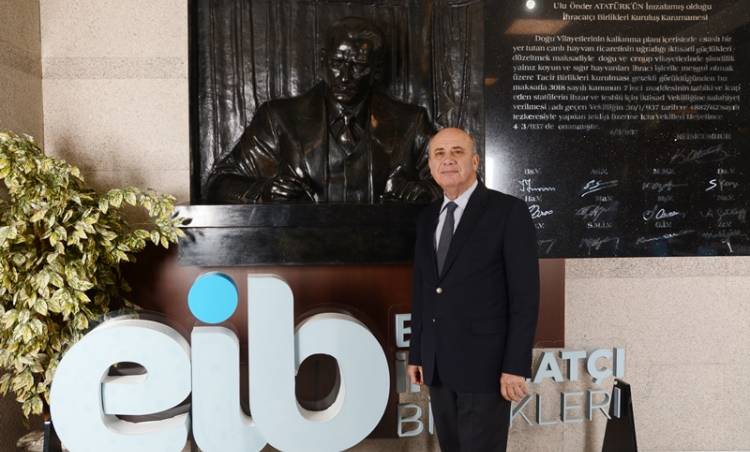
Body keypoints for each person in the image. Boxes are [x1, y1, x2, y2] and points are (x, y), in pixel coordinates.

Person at [205, 17, 439, 204]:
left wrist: (425, 192)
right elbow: (218, 183)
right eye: (337, 63)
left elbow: (451, 182)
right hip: (298, 247)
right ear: (323, 61)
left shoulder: (410, 122)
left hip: (388, 246)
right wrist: (264, 191)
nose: (345, 77)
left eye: (358, 66)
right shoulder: (280, 118)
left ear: (376, 70)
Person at [407, 128, 539, 451]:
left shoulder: (508, 212)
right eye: (439, 154)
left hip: (486, 369)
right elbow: (424, 291)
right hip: (438, 367)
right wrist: (418, 353)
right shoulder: (426, 219)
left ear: (476, 161)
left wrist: (515, 365)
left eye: (457, 152)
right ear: (430, 164)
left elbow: (525, 297)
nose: (448, 160)